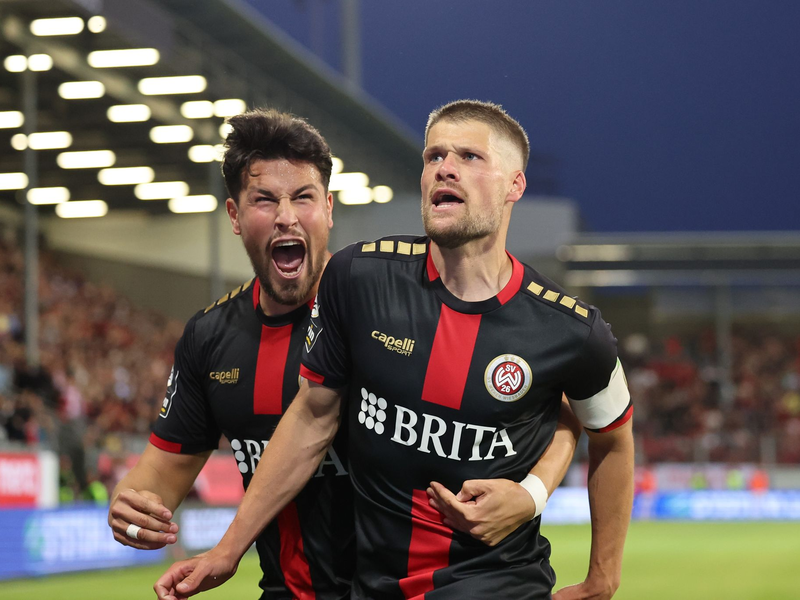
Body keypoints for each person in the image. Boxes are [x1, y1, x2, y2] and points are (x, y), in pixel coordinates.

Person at [155, 100, 634, 599]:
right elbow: (312, 418)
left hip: (501, 585)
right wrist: (227, 549)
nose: (445, 167)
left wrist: (600, 576)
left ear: (515, 185)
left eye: (469, 157)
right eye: (434, 157)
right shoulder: (358, 279)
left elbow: (612, 437)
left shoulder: (573, 330)